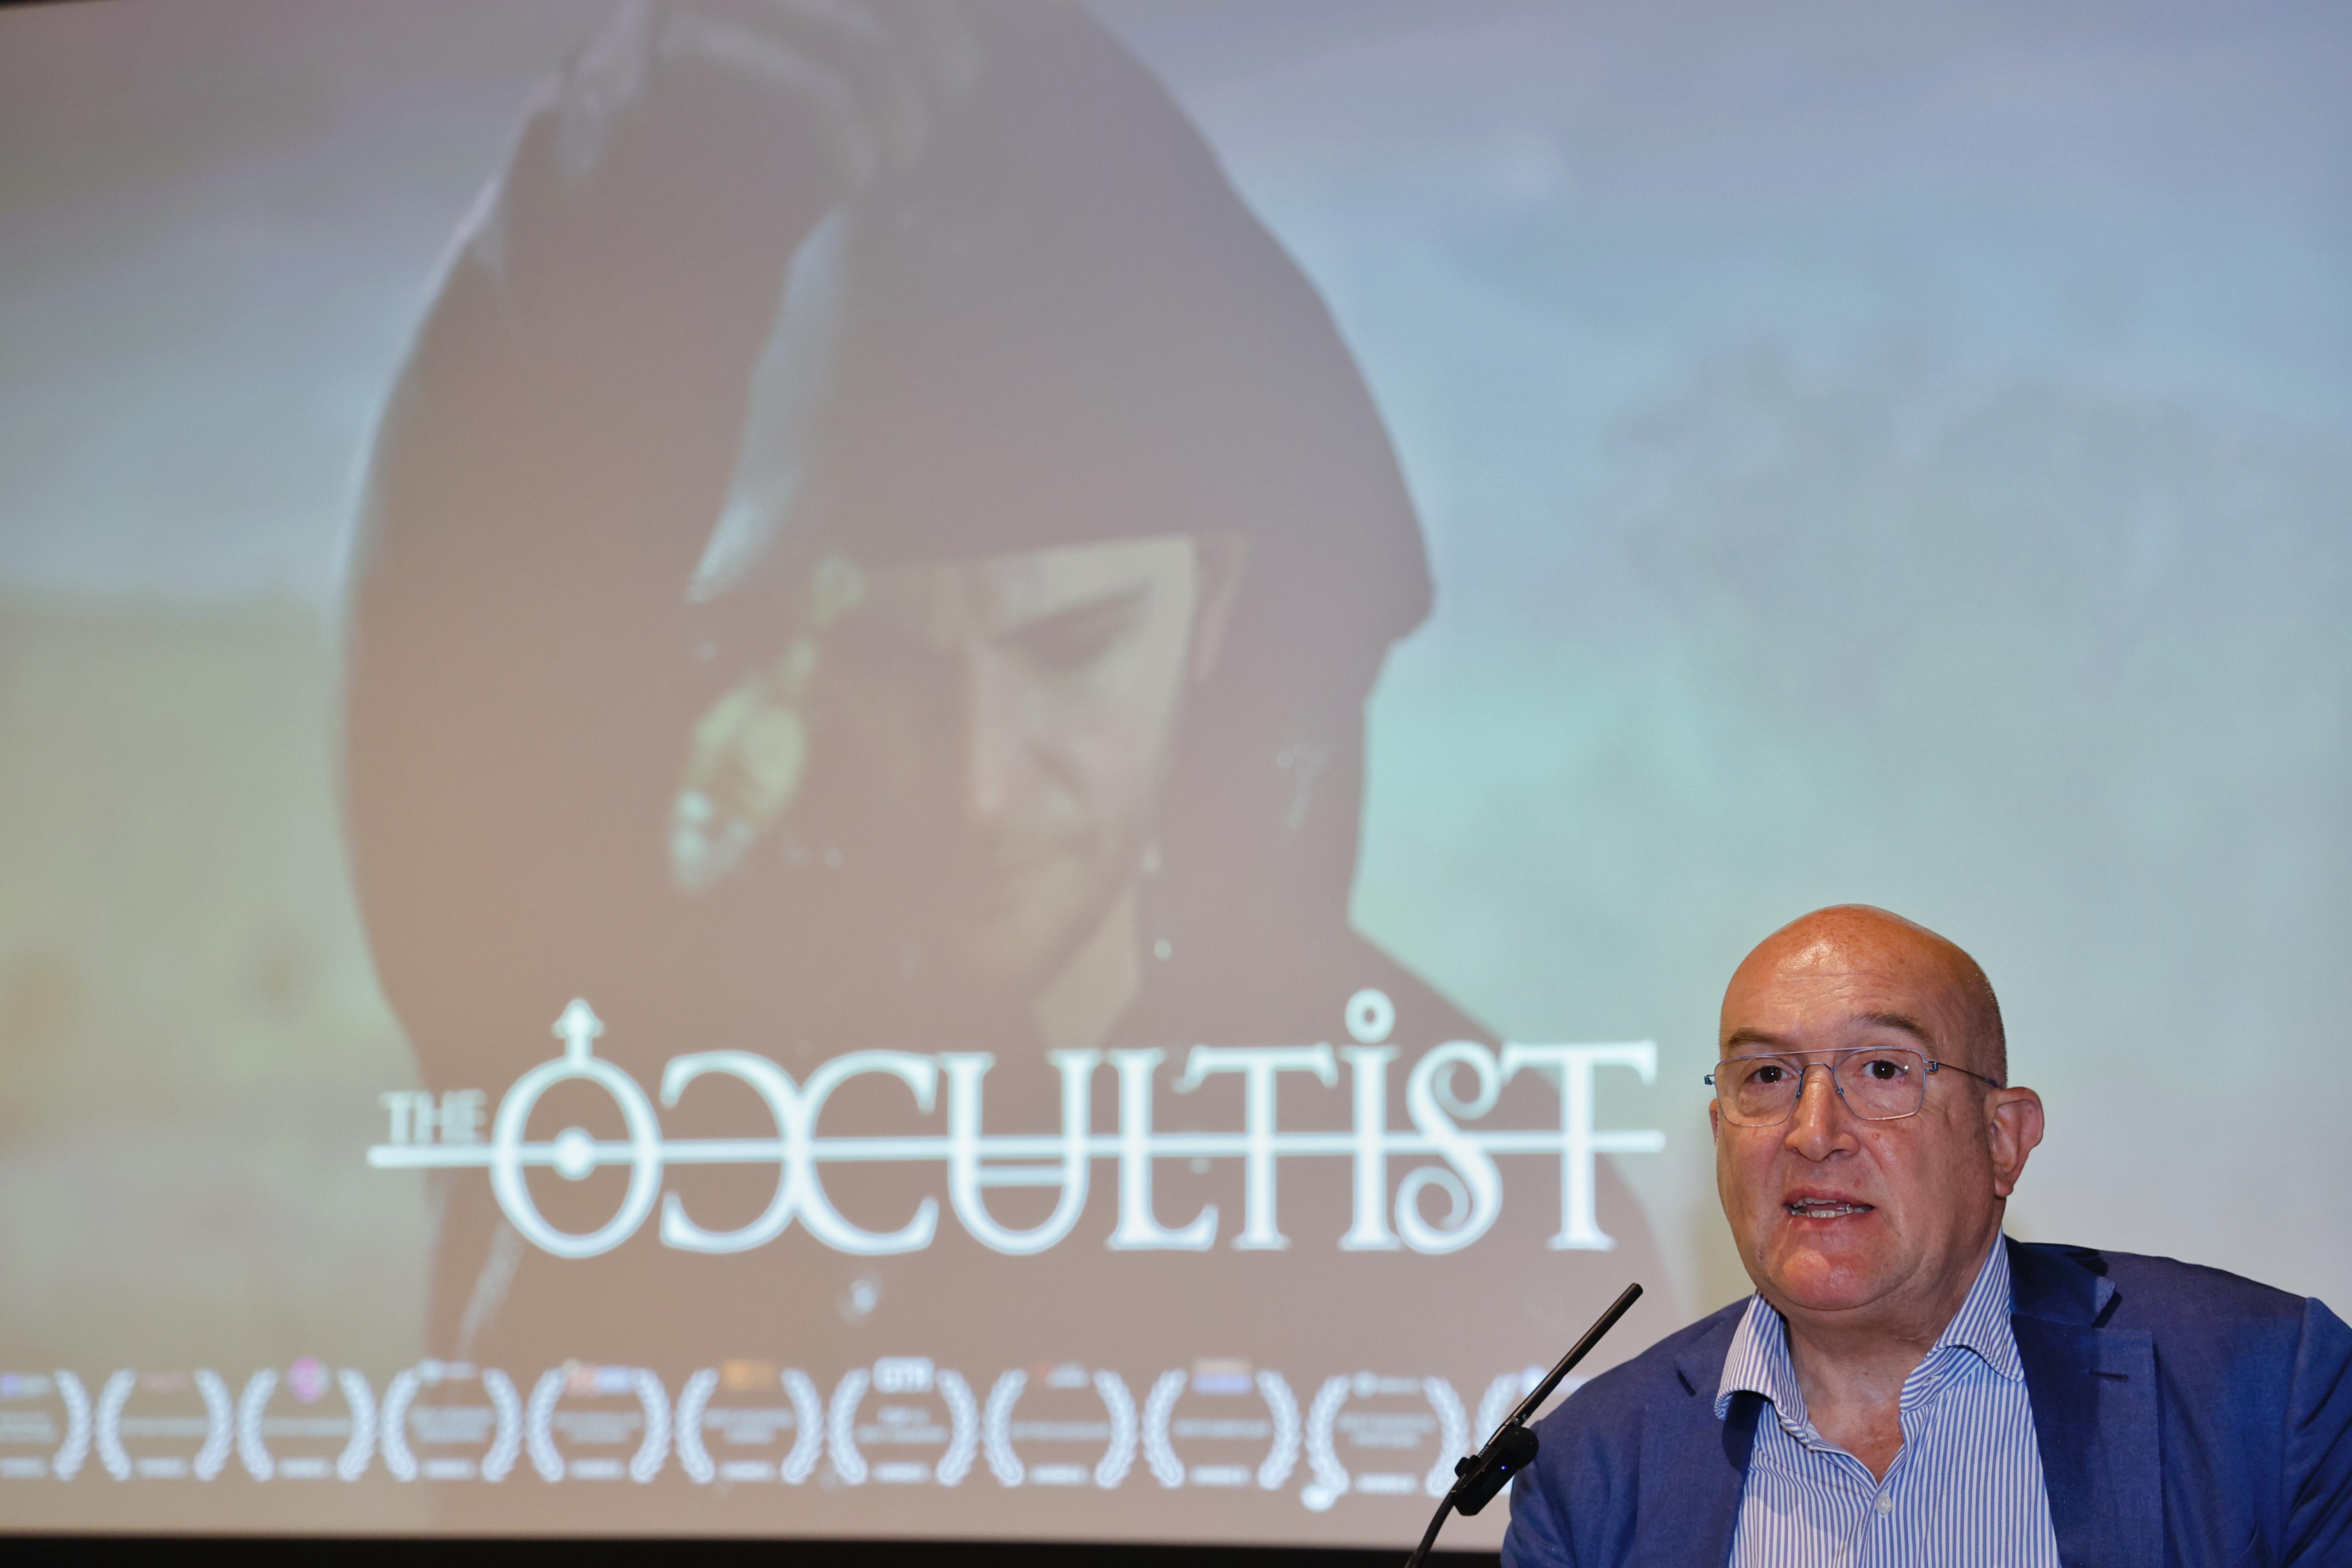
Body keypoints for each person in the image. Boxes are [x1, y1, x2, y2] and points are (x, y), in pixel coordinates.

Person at [342, 0, 1668, 1531]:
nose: (978, 784)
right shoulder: (623, 1076)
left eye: (1070, 646)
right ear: (787, 645)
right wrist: (586, 217)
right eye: (888, 661)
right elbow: (466, 744)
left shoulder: (1488, 1192)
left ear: (1216, 605)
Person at [1502, 904, 2352, 1565]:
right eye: (1767, 1075)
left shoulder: (2265, 1387)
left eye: (1883, 1069)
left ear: (2002, 1139)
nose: (1813, 1132)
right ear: (1721, 1136)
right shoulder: (1591, 1467)